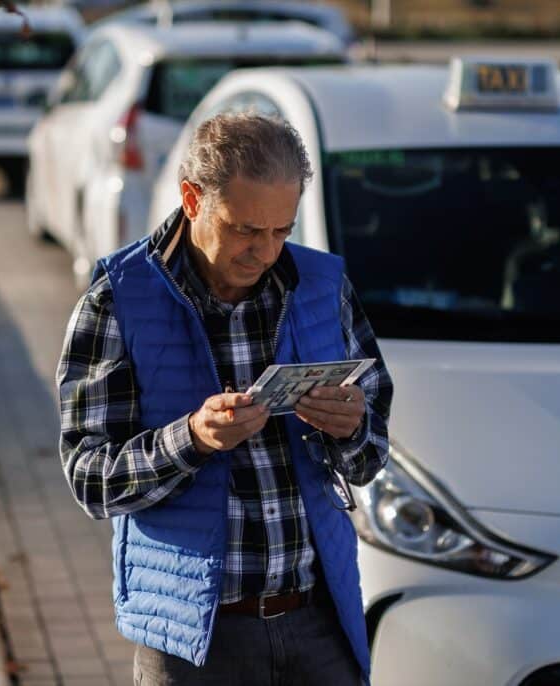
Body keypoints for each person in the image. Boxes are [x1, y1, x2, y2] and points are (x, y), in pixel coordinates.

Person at [57, 113, 393, 686]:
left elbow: (370, 456)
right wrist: (189, 439)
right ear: (192, 199)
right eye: (244, 229)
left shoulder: (323, 285)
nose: (264, 251)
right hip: (194, 640)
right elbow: (89, 478)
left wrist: (352, 429)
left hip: (318, 620)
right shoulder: (118, 297)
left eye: (281, 230)